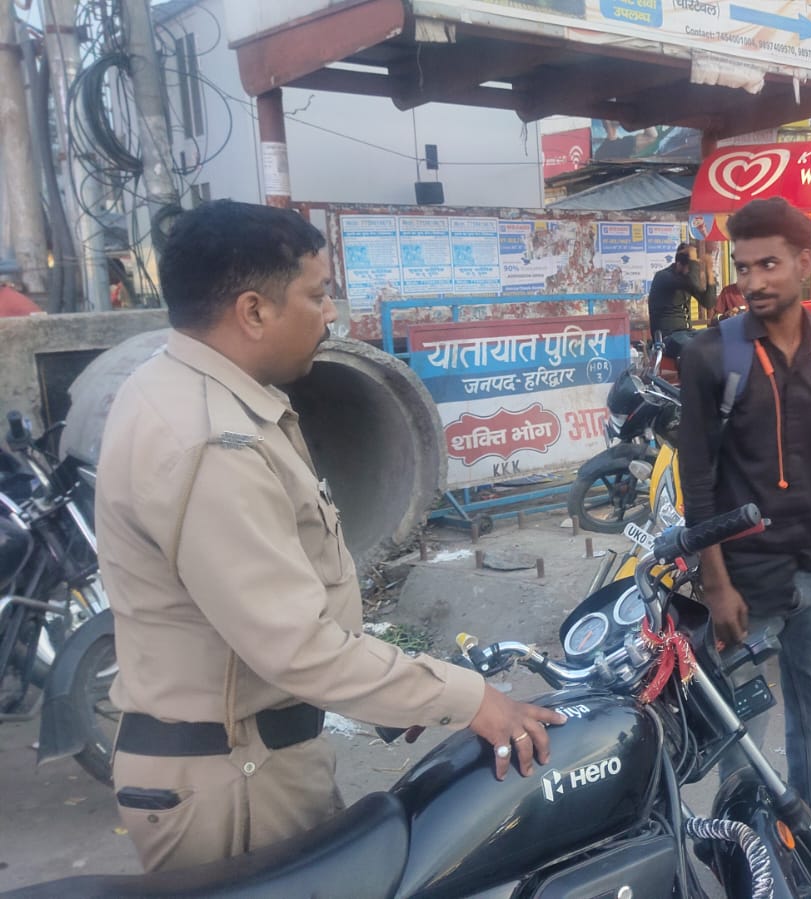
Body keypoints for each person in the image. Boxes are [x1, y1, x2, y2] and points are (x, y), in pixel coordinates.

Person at [96, 201, 567, 873]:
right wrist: (468, 699)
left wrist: (394, 690)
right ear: (253, 311)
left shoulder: (186, 391)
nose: (330, 316)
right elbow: (296, 647)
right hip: (236, 781)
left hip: (245, 759)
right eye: (316, 295)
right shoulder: (212, 441)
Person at [675, 197, 811, 870]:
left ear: (805, 261)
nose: (753, 281)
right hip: (743, 575)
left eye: (769, 264)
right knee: (742, 724)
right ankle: (749, 852)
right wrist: (715, 584)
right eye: (743, 267)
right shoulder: (712, 355)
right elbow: (696, 478)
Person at [647, 243, 711, 360]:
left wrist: (710, 273)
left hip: (688, 332)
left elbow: (708, 302)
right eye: (690, 268)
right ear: (679, 264)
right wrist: (694, 261)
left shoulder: (686, 279)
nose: (692, 272)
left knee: (718, 337)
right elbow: (693, 283)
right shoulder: (663, 277)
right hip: (668, 336)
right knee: (695, 348)